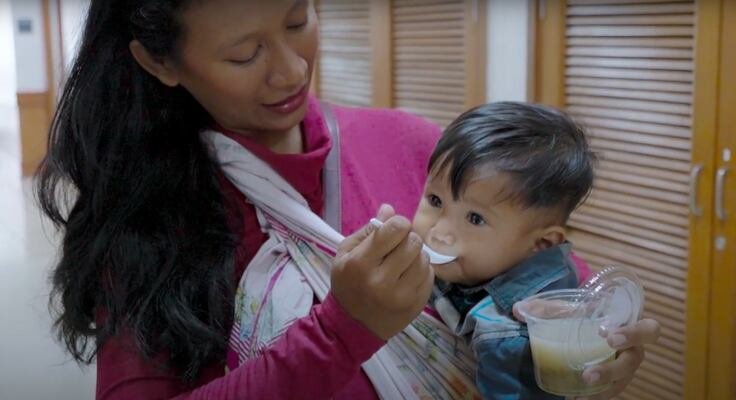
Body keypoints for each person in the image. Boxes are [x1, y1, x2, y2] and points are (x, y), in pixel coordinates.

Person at [36, 1, 660, 399]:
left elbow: (545, 278)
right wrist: (344, 329)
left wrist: (595, 344)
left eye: (297, 20)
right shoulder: (147, 221)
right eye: (244, 53)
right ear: (160, 61)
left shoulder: (418, 148)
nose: (289, 71)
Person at [412, 101, 594, 398]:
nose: (440, 232)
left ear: (541, 244)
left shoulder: (510, 339)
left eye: (475, 218)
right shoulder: (480, 262)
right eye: (435, 200)